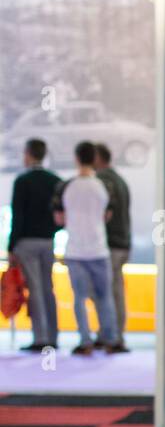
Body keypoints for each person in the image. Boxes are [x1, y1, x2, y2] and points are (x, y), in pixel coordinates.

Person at [53, 141, 122, 355]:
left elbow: (59, 219)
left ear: (76, 158)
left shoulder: (66, 186)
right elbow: (107, 216)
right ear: (95, 159)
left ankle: (85, 341)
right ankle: (110, 339)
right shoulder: (103, 186)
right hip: (99, 248)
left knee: (79, 298)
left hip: (74, 250)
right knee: (105, 297)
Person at [6, 139, 61, 351]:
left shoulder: (23, 181)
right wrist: (51, 233)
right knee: (48, 288)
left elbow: (17, 216)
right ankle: (53, 337)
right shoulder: (54, 180)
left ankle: (40, 338)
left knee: (35, 289)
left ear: (28, 154)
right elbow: (59, 215)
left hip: (26, 241)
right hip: (48, 241)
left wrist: (11, 245)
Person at [93, 142, 131, 349]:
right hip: (121, 243)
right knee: (113, 290)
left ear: (98, 158)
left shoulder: (103, 181)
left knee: (108, 292)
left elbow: (106, 214)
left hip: (109, 245)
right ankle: (111, 334)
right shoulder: (119, 180)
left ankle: (113, 336)